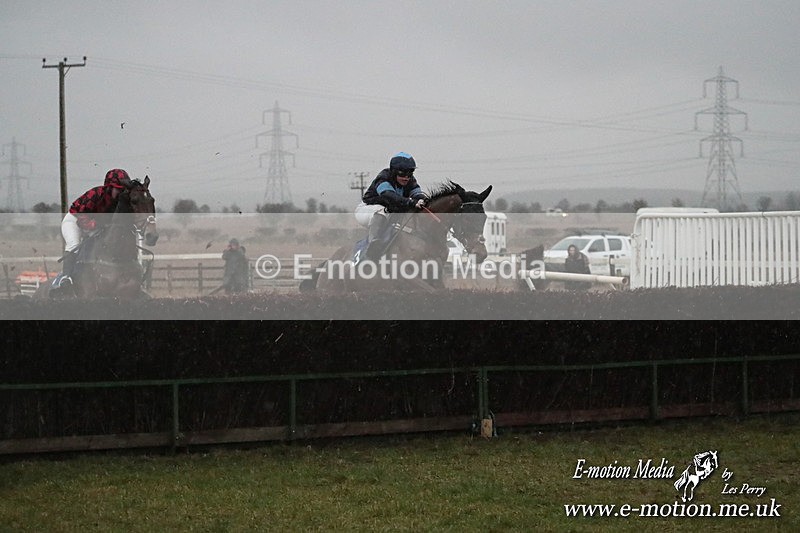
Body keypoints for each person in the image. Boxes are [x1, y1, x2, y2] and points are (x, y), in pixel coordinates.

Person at [52, 168, 131, 289]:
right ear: (109, 187)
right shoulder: (96, 193)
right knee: (74, 244)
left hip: (93, 224)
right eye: (118, 189)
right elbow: (81, 216)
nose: (121, 193)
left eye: (123, 190)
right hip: (74, 219)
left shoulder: (118, 202)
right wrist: (93, 225)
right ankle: (65, 277)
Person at [354, 152, 429, 258]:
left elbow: (417, 194)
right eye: (402, 173)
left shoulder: (411, 180)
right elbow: (389, 196)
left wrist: (423, 200)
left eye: (410, 173)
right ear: (394, 172)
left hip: (389, 212)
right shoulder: (383, 177)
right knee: (383, 211)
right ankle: (373, 244)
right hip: (367, 210)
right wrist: (410, 202)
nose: (406, 177)